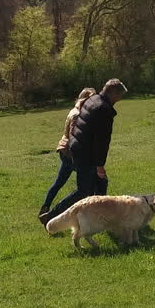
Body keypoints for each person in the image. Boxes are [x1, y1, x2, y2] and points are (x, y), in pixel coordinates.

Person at [40, 78, 127, 227]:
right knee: (83, 191)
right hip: (86, 154)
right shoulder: (104, 110)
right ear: (113, 93)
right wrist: (100, 165)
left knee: (99, 184)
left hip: (77, 147)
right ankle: (51, 216)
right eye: (119, 96)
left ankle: (101, 218)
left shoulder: (92, 99)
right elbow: (102, 141)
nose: (119, 99)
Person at [39, 87, 95, 219]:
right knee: (87, 185)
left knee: (59, 182)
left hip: (65, 151)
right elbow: (74, 137)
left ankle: (45, 208)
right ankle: (54, 214)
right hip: (71, 153)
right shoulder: (77, 114)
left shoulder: (75, 110)